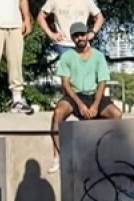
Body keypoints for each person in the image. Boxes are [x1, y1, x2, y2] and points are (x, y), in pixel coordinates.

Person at [48, 22, 122, 173]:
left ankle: (108, 153)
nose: (80, 38)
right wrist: (80, 105)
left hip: (94, 95)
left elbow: (102, 82)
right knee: (58, 113)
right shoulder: (67, 57)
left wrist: (95, 105)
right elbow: (65, 84)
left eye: (82, 34)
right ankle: (58, 156)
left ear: (87, 35)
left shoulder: (98, 56)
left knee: (116, 114)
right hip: (74, 96)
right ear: (72, 38)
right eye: (76, 35)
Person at [37, 0, 104, 56]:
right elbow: (40, 17)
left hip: (82, 46)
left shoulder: (87, 1)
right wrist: (51, 34)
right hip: (63, 45)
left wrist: (93, 32)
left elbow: (100, 18)